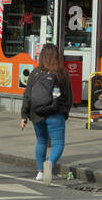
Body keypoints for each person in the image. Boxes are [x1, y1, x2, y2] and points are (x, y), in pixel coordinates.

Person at [20, 44, 72, 184]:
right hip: (56, 114)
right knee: (58, 143)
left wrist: (24, 116)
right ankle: (49, 163)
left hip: (37, 114)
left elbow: (27, 96)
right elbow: (68, 96)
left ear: (41, 56)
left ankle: (40, 172)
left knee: (41, 141)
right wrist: (65, 112)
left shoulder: (36, 72)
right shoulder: (62, 73)